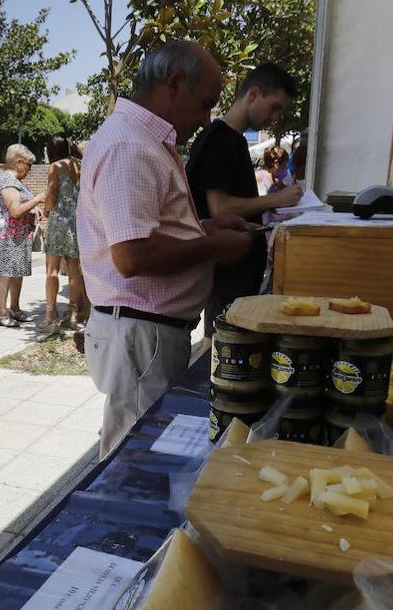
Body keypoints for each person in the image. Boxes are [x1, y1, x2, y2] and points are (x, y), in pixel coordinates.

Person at [79, 40, 256, 456]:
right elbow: (132, 255)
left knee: (143, 449)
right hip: (142, 332)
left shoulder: (143, 141)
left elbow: (152, 229)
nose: (207, 117)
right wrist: (212, 245)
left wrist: (207, 227)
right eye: (205, 102)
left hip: (147, 332)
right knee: (136, 458)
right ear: (174, 83)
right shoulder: (130, 145)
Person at [185, 62, 304, 334]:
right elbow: (220, 208)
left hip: (238, 273)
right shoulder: (218, 139)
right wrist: (276, 200)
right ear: (253, 94)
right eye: (274, 106)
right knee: (222, 344)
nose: (275, 117)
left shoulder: (235, 140)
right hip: (226, 275)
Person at [0, 143, 45, 327]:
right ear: (19, 163)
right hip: (7, 237)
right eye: (28, 165)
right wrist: (37, 199)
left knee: (16, 273)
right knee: (6, 274)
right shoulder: (7, 181)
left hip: (16, 236)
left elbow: (22, 204)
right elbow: (15, 210)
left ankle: (15, 308)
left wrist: (34, 208)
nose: (29, 169)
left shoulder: (16, 182)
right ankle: (1, 313)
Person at [39, 134, 89, 331]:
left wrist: (46, 209)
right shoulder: (79, 165)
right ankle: (73, 314)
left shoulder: (56, 166)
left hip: (59, 221)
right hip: (76, 222)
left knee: (51, 270)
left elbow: (51, 195)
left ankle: (50, 315)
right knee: (74, 270)